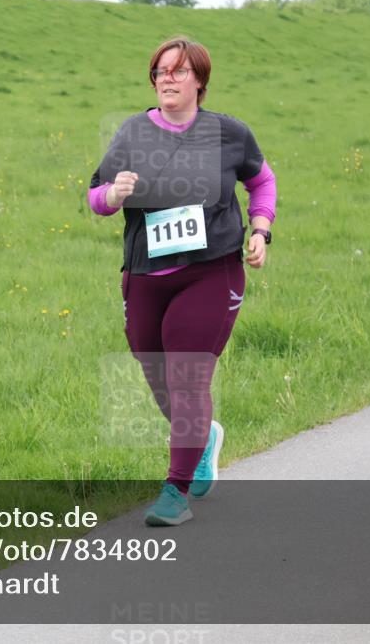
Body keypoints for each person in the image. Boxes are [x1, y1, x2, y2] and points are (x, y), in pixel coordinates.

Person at [87, 36, 277, 525]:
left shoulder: (228, 134)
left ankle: (175, 491)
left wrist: (261, 229)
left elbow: (261, 180)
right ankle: (204, 437)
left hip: (211, 270)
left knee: (187, 374)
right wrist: (114, 193)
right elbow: (95, 198)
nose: (167, 78)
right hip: (146, 272)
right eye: (160, 71)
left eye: (177, 70)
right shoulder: (133, 132)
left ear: (199, 80)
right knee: (158, 378)